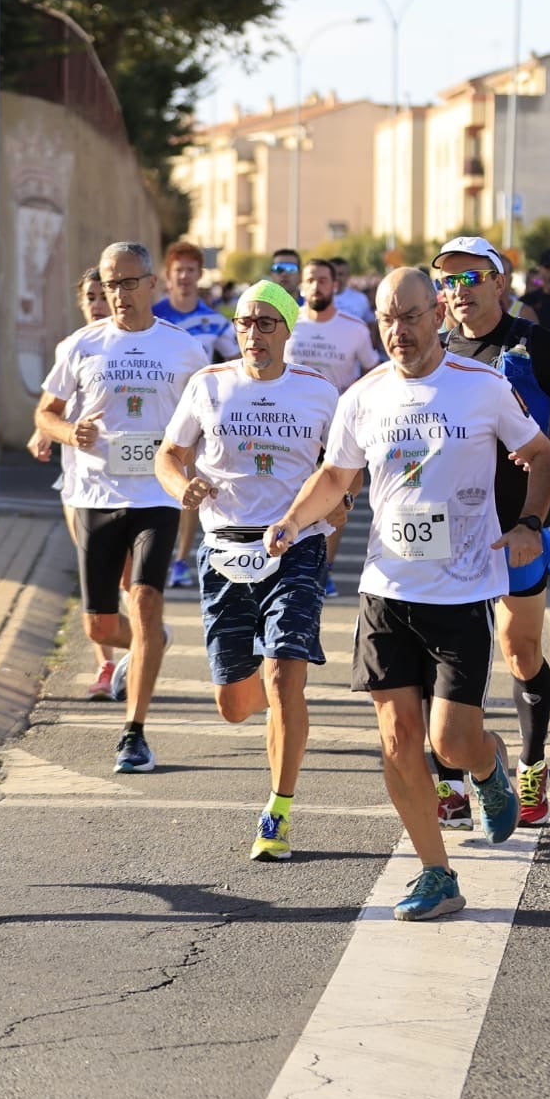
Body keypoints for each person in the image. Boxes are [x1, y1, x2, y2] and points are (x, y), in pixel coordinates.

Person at [266, 268, 550, 922]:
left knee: (451, 740)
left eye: (409, 315)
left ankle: (486, 767)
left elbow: (543, 456)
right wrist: (291, 520)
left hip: (461, 591)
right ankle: (435, 871)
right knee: (398, 739)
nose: (398, 330)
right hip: (386, 589)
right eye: (386, 319)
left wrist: (530, 523)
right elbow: (336, 475)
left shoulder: (482, 387)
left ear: (437, 316)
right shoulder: (363, 396)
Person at [156, 282, 342, 861]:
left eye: (266, 323)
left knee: (286, 675)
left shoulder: (319, 393)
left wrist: (335, 504)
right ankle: (271, 700)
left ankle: (277, 812)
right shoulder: (208, 386)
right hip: (224, 550)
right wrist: (183, 485)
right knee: (235, 702)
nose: (254, 334)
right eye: (245, 323)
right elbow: (168, 454)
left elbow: (343, 469)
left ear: (288, 330)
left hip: (294, 545)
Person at [437, 238, 550, 828]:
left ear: (500, 283)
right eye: (450, 281)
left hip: (517, 525)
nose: (460, 291)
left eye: (473, 277)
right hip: (447, 529)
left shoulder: (533, 343)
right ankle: (449, 781)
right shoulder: (433, 345)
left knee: (519, 650)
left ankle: (531, 765)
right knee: (442, 652)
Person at [37, 243, 210, 774]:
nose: (119, 294)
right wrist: (70, 431)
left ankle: (133, 732)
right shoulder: (81, 345)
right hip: (96, 496)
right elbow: (46, 413)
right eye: (111, 284)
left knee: (147, 599)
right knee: (98, 627)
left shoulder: (183, 349)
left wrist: (198, 470)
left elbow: (206, 416)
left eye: (129, 283)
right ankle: (150, 642)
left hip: (156, 495)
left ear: (151, 284)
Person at [29, 269, 125, 698]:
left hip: (131, 479)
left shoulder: (134, 346)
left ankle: (142, 646)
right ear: (81, 303)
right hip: (81, 481)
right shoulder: (73, 347)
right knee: (94, 574)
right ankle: (106, 665)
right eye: (90, 297)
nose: (98, 304)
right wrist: (45, 432)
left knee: (127, 576)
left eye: (104, 296)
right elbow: (52, 408)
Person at [286, 257, 382, 597]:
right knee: (292, 496)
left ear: (334, 285)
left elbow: (372, 370)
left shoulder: (353, 328)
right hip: (292, 426)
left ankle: (324, 567)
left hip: (339, 428)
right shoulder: (288, 323)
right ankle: (289, 562)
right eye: (310, 279)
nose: (316, 286)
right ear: (301, 285)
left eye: (323, 280)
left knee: (333, 501)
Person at [152, 241, 239, 589]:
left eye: (191, 270)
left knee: (187, 482)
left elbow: (236, 364)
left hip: (195, 419)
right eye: (178, 271)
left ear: (200, 275)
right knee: (156, 482)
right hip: (157, 412)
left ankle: (179, 559)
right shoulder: (155, 316)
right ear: (167, 277)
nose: (185, 277)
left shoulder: (214, 322)